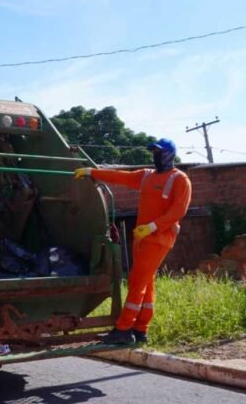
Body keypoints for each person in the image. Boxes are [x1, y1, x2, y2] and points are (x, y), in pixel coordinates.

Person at [74, 138, 191, 345]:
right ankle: (141, 329)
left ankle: (124, 329)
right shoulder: (147, 176)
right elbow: (120, 176)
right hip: (142, 238)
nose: (155, 155)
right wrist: (92, 172)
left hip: (158, 239)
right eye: (153, 152)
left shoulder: (180, 179)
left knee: (137, 282)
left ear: (170, 154)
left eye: (159, 152)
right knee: (146, 283)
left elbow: (179, 211)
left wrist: (153, 226)